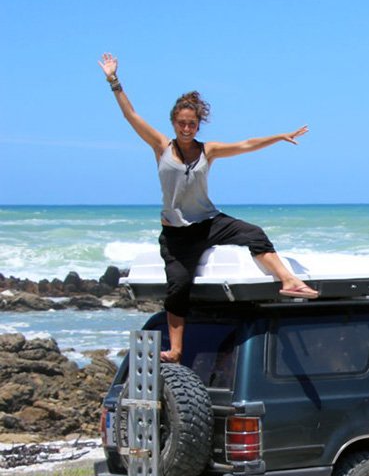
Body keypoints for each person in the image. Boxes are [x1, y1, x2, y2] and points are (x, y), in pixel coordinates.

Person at [98, 53, 319, 363]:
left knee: (254, 234)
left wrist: (279, 137)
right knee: (178, 289)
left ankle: (289, 281)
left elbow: (245, 144)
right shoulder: (161, 146)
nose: (187, 127)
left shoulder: (208, 150)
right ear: (174, 123)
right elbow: (131, 115)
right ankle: (175, 350)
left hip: (209, 222)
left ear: (197, 124)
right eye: (182, 123)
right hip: (177, 235)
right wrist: (113, 80)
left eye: (192, 123)